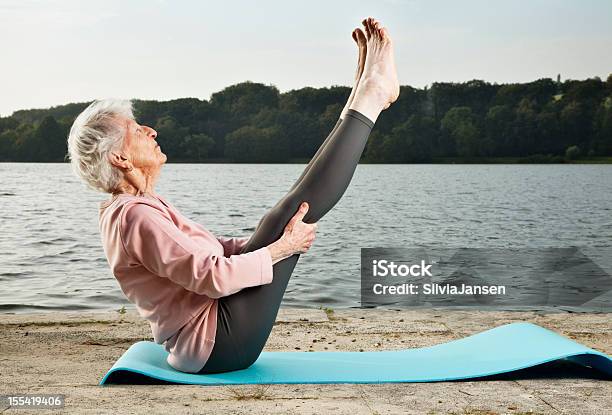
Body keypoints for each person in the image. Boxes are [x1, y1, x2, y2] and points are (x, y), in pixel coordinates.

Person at [67, 17, 399, 374]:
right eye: (136, 130)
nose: (150, 129)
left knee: (277, 220)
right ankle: (369, 97)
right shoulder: (133, 215)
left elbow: (208, 250)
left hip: (216, 331)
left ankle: (363, 95)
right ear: (119, 158)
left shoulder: (139, 206)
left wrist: (259, 243)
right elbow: (211, 277)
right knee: (284, 218)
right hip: (217, 343)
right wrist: (280, 247)